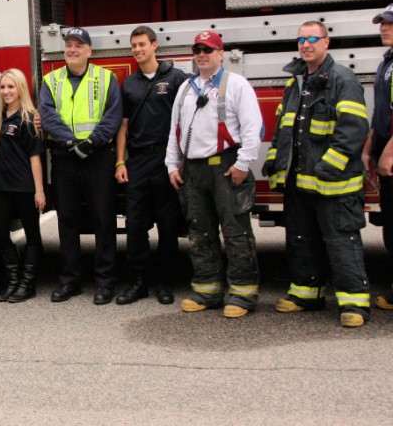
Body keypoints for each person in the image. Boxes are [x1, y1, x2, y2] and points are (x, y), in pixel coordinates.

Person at [265, 21, 371, 327]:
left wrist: (329, 166)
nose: (306, 44)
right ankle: (306, 294)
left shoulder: (342, 78)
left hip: (333, 183)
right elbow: (284, 130)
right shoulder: (295, 83)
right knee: (301, 238)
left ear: (327, 43)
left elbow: (354, 128)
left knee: (340, 241)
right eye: (301, 39)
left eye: (313, 38)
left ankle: (353, 304)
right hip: (299, 182)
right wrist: (275, 164)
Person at [166, 30, 263, 319]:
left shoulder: (236, 85)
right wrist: (172, 165)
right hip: (194, 171)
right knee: (200, 232)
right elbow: (175, 130)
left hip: (226, 167)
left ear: (221, 54)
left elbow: (253, 127)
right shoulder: (186, 89)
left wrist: (243, 164)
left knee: (235, 231)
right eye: (198, 50)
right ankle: (207, 291)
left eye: (208, 50)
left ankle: (243, 295)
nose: (202, 55)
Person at [39, 27, 122, 304]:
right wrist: (71, 142)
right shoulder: (51, 80)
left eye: (78, 45)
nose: (72, 49)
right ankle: (70, 280)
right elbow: (47, 117)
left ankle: (105, 282)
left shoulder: (105, 77)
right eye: (68, 45)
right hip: (65, 158)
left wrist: (92, 142)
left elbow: (113, 116)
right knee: (67, 220)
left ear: (89, 51)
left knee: (103, 219)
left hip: (98, 158)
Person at [115, 26, 187, 305]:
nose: (137, 50)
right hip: (138, 161)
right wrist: (121, 161)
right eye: (133, 45)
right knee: (134, 225)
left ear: (155, 46)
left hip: (166, 160)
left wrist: (180, 161)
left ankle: (165, 283)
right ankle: (138, 282)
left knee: (168, 225)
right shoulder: (129, 83)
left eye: (142, 44)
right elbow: (123, 126)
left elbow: (185, 120)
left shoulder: (176, 78)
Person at [0, 68, 45, 302]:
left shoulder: (28, 118)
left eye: (11, 86)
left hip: (24, 187)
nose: (6, 91)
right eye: (3, 87)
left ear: (21, 88)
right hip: (1, 187)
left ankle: (27, 284)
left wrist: (39, 191)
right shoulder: (0, 116)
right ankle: (13, 281)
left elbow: (35, 157)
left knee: (32, 235)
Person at [364, 4, 393, 311]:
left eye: (389, 23)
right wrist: (371, 144)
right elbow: (383, 110)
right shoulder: (387, 62)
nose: (383, 27)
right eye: (382, 23)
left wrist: (388, 153)